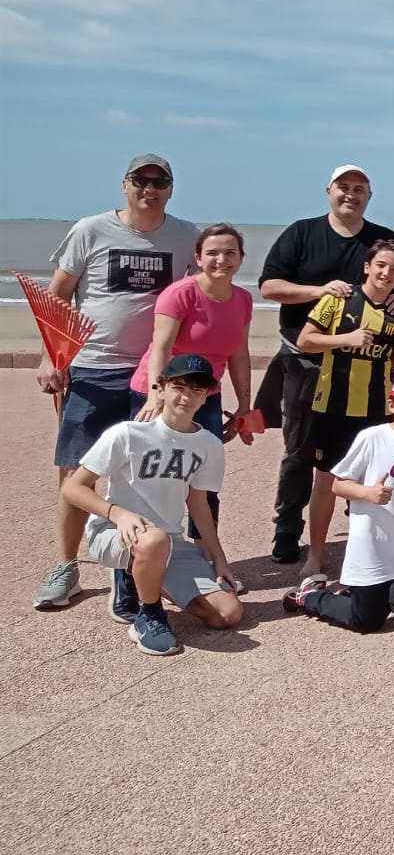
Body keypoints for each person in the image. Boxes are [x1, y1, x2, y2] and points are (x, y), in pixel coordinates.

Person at [34, 154, 200, 611]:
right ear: (125, 185)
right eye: (140, 180)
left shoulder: (187, 236)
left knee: (145, 474)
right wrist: (53, 358)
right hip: (91, 368)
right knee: (75, 470)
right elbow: (57, 297)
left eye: (160, 181)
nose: (150, 188)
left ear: (171, 187)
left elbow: (199, 297)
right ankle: (66, 567)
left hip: (153, 376)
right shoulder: (91, 229)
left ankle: (132, 572)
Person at [260, 164, 394, 566]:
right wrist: (319, 291)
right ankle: (287, 532)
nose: (351, 195)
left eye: (360, 189)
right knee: (301, 453)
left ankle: (360, 533)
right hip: (306, 363)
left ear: (369, 196)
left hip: (367, 373)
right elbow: (268, 287)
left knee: (366, 457)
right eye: (344, 187)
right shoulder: (302, 233)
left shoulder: (383, 240)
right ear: (329, 191)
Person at [58, 354, 243, 655]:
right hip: (114, 531)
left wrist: (219, 558)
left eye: (196, 390)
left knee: (227, 614)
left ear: (206, 395)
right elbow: (72, 487)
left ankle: (140, 575)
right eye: (179, 387)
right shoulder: (128, 434)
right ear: (160, 389)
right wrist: (117, 514)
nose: (186, 396)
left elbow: (198, 504)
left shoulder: (209, 444)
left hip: (169, 541)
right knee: (153, 540)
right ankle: (149, 615)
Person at [281, 372, 394, 632]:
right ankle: (311, 597)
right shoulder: (372, 438)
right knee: (365, 622)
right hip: (374, 544)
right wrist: (368, 494)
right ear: (392, 404)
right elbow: (338, 484)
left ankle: (382, 592)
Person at [294, 238, 394, 586]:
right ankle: (316, 554)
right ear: (367, 266)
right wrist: (344, 338)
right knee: (326, 482)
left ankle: (369, 553)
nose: (386, 273)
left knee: (372, 484)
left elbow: (389, 361)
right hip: (332, 405)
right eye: (381, 265)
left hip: (376, 408)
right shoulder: (339, 299)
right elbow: (305, 340)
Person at [129, 223, 252, 551]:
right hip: (159, 393)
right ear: (198, 257)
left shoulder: (243, 299)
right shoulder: (181, 292)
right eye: (212, 253)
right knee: (153, 477)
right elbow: (162, 347)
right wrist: (157, 395)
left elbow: (240, 353)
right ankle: (147, 559)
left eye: (230, 252)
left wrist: (244, 405)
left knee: (205, 481)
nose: (221, 259)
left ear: (241, 259)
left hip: (205, 397)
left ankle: (206, 558)